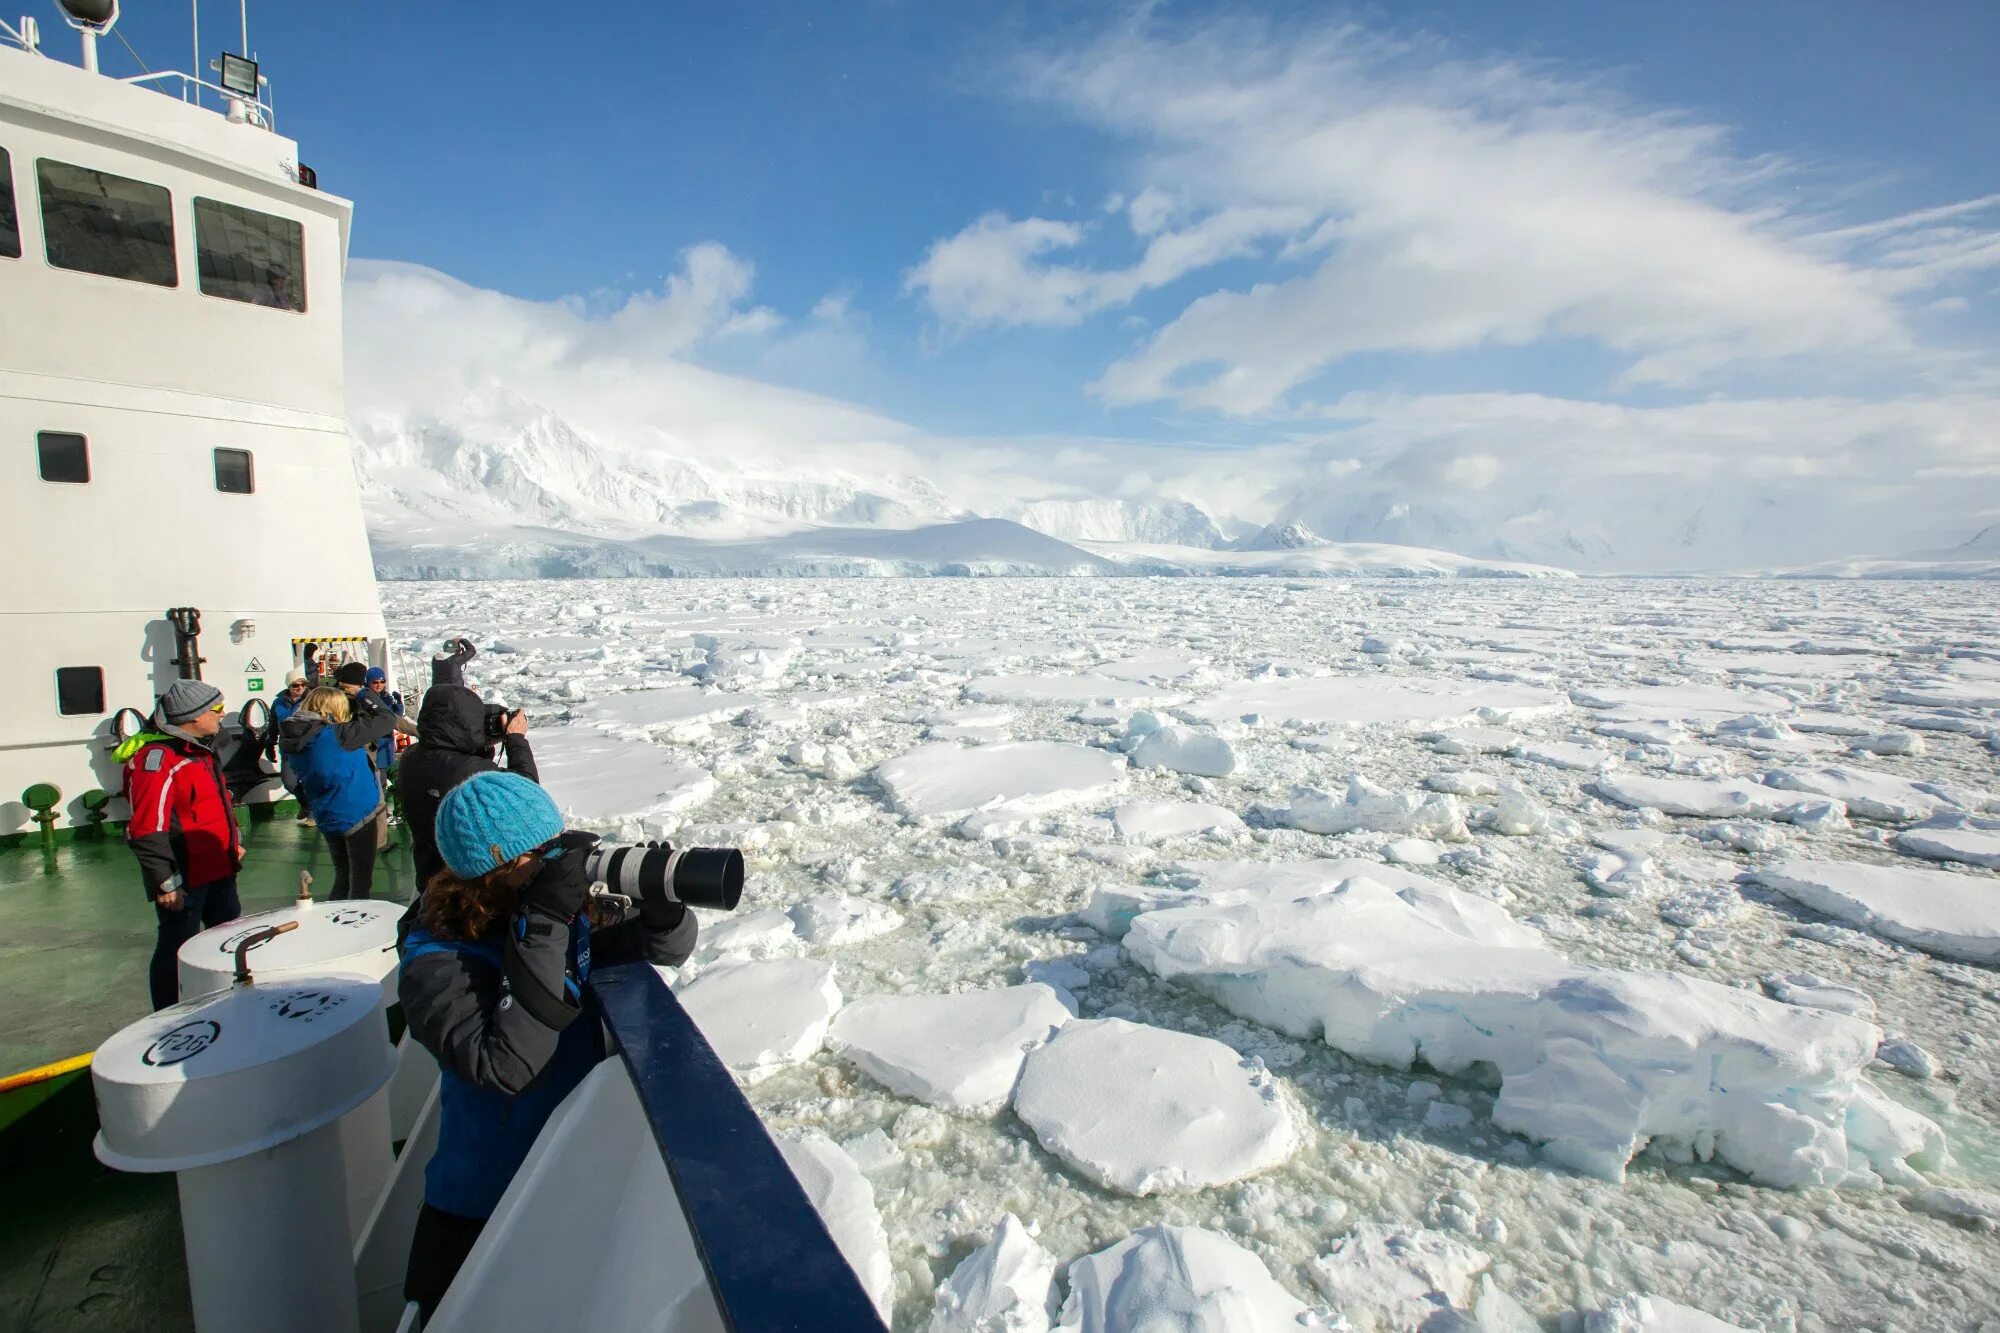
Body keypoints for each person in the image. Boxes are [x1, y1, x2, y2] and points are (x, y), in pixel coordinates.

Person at [398, 773, 697, 1317]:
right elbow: (505, 1066)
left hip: (569, 1174)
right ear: (492, 872)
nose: (555, 864)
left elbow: (665, 950)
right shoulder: (436, 964)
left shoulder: (542, 915)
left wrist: (663, 907)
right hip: (486, 1200)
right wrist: (544, 920)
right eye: (540, 855)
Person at [115, 680, 244, 1010]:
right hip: (185, 874)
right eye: (216, 709)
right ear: (193, 716)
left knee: (227, 937)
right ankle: (169, 1014)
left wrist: (234, 842)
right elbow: (146, 828)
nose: (222, 714)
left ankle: (228, 998)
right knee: (177, 945)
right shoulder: (158, 761)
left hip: (218, 866)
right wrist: (166, 882)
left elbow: (216, 803)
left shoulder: (199, 750)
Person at [399, 683, 536, 899]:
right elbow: (527, 793)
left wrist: (477, 744)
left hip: (428, 878)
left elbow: (450, 763)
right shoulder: (469, 771)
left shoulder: (410, 757)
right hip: (465, 890)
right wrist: (516, 739)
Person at [279, 685, 395, 900]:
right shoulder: (339, 735)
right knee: (360, 882)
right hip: (358, 814)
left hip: (327, 814)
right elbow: (387, 718)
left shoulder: (293, 737)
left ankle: (334, 923)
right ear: (333, 707)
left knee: (342, 876)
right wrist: (362, 692)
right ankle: (355, 928)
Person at [267, 670, 314, 824]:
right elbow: (273, 725)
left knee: (310, 781)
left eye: (303, 684)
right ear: (289, 686)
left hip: (308, 747)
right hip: (288, 748)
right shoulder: (279, 702)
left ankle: (313, 813)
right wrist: (270, 743)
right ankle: (306, 805)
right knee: (289, 781)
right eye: (295, 685)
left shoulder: (312, 700)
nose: (300, 688)